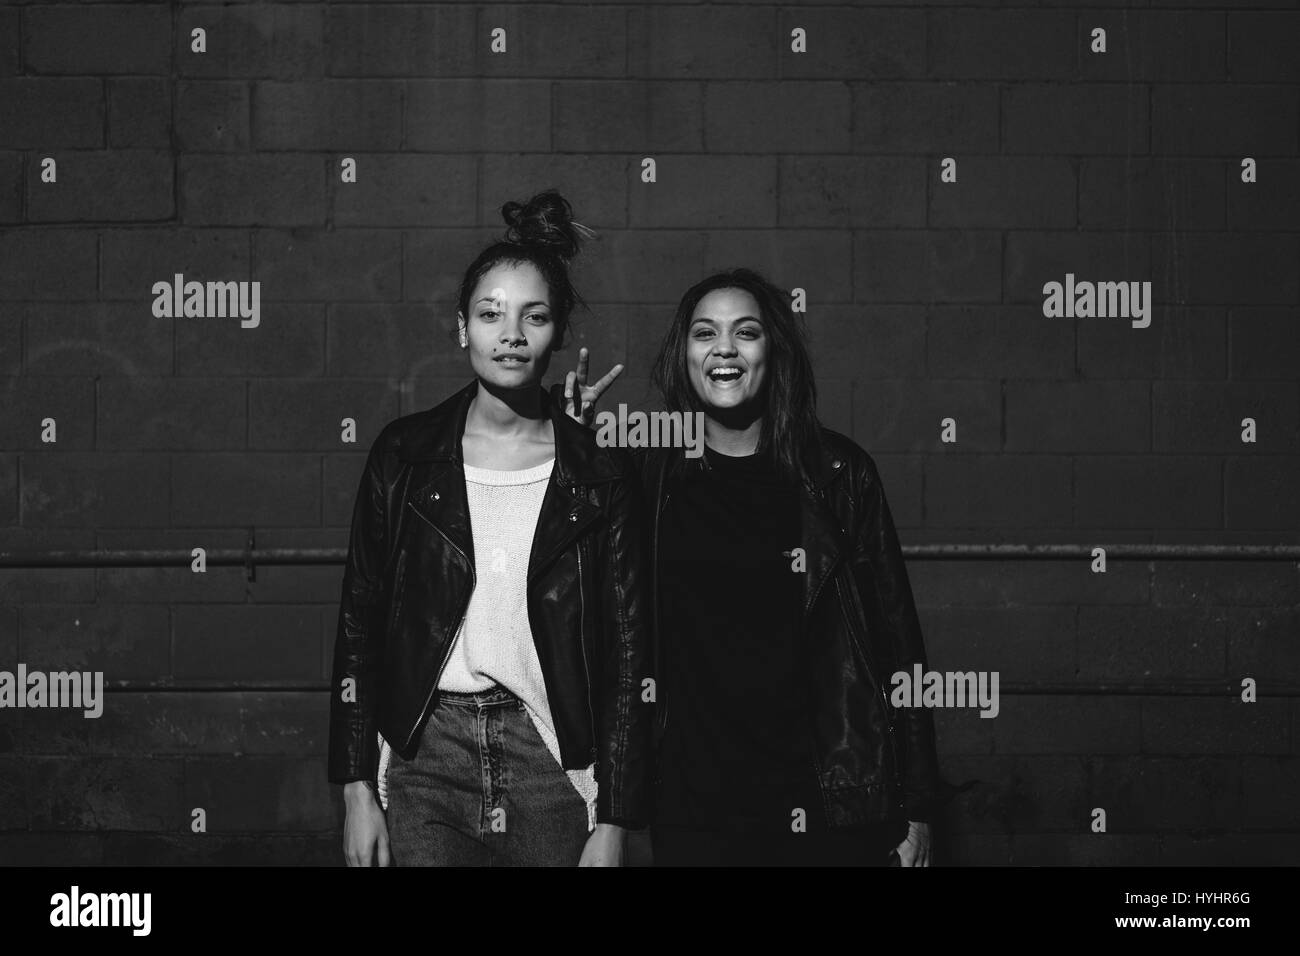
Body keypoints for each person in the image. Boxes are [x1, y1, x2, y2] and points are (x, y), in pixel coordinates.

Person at [560, 267, 953, 866]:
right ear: (683, 355)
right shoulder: (643, 475)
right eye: (704, 333)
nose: (724, 348)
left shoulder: (839, 476)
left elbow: (899, 646)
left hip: (826, 803)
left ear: (775, 352)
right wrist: (574, 467)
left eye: (746, 331)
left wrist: (920, 805)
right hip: (689, 810)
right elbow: (581, 606)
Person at [328, 190, 651, 866]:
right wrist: (356, 788)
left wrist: (617, 818)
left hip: (551, 756)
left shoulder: (600, 476)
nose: (510, 334)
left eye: (534, 317)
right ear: (461, 327)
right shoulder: (404, 454)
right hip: (426, 756)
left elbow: (626, 655)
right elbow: (360, 622)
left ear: (558, 331)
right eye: (490, 314)